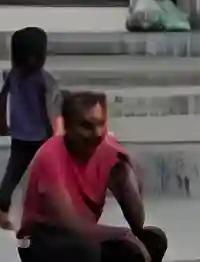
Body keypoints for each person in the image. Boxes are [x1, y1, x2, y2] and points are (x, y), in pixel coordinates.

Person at [16, 91, 168, 262]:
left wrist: (125, 180)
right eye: (86, 126)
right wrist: (123, 234)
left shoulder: (109, 149)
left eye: (100, 124)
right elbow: (72, 227)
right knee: (86, 249)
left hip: (82, 238)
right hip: (40, 241)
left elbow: (137, 223)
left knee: (153, 240)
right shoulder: (50, 158)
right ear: (68, 127)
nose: (96, 133)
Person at [0, 26, 61, 229]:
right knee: (49, 172)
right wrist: (54, 133)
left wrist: (2, 123)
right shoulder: (44, 79)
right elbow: (49, 108)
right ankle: (50, 210)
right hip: (40, 136)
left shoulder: (12, 74)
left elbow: (1, 98)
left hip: (19, 135)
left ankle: (1, 207)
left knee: (14, 171)